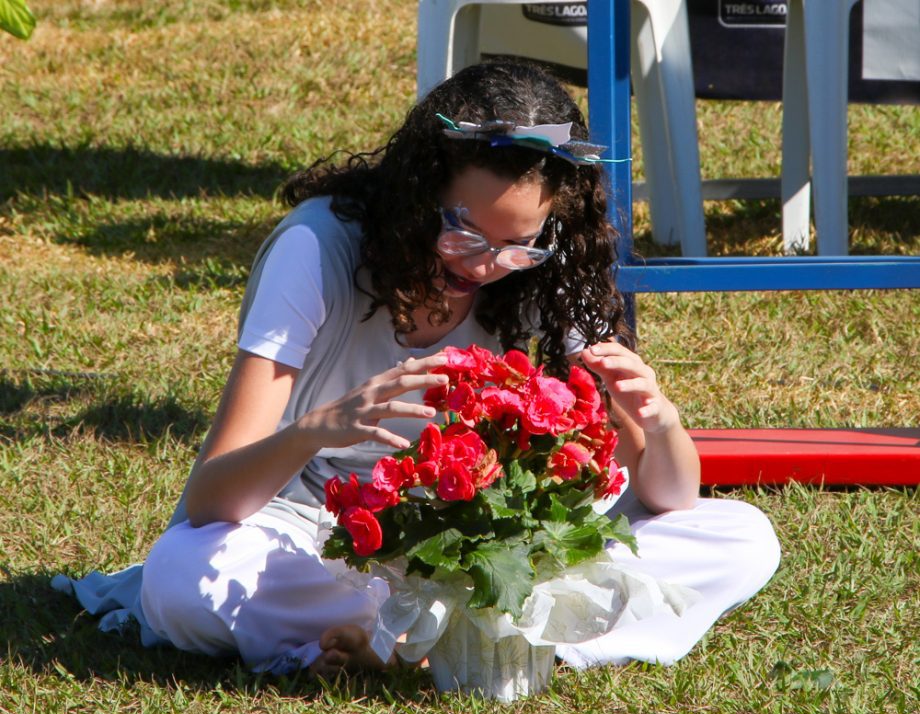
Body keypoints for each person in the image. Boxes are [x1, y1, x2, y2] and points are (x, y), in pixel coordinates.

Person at [55, 59, 780, 680]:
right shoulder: (318, 249)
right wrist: (318, 430)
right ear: (417, 188)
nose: (483, 265)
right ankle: (476, 641)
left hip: (483, 544)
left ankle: (417, 643)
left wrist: (661, 421)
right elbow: (212, 501)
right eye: (462, 229)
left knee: (743, 536)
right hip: (319, 535)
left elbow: (665, 496)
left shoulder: (542, 271)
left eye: (516, 244)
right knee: (183, 574)